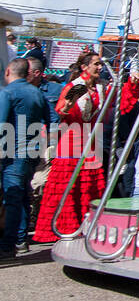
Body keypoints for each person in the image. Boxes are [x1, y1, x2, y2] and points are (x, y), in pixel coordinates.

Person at [31, 51, 106, 244]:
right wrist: (67, 106)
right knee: (67, 187)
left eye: (100, 64)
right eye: (96, 64)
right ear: (85, 67)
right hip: (71, 143)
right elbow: (62, 111)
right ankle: (64, 227)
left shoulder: (99, 88)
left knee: (88, 187)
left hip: (90, 143)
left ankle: (86, 225)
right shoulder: (75, 86)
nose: (100, 68)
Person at [0, 59, 49, 255]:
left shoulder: (8, 92)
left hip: (13, 153)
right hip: (32, 151)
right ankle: (21, 241)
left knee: (12, 197)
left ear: (8, 71)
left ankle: (8, 244)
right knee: (21, 197)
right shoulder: (37, 92)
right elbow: (51, 119)